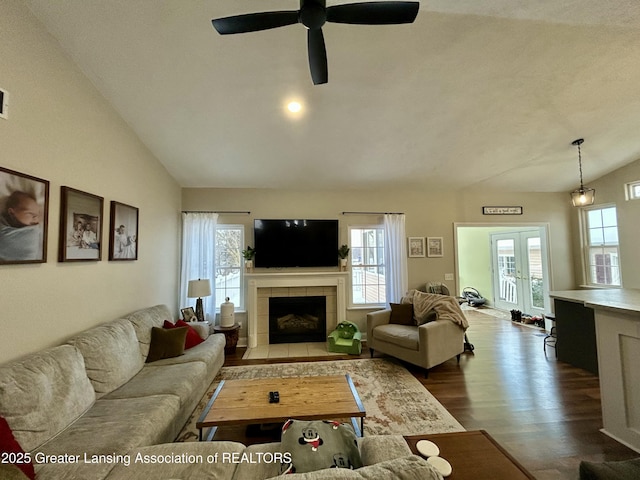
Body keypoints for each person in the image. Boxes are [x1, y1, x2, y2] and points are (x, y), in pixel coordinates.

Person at [0, 190, 42, 261]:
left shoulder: (33, 231)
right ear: (12, 212)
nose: (35, 218)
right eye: (30, 213)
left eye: (37, 214)